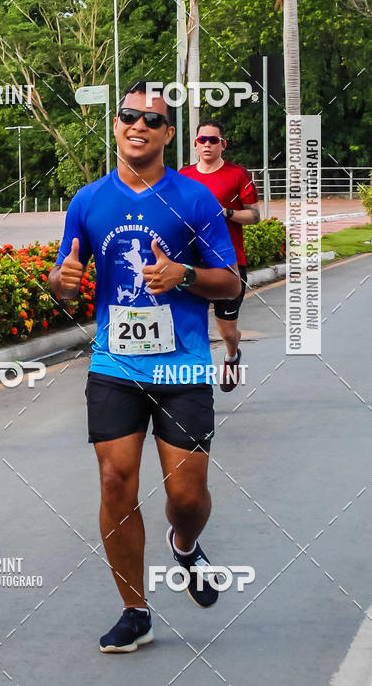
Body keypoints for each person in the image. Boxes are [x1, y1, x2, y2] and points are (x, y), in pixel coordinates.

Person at [48, 82, 239, 653]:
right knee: (114, 481)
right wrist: (61, 283)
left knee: (186, 496)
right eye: (128, 116)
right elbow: (65, 279)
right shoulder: (86, 201)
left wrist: (184, 275)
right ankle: (136, 610)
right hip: (115, 364)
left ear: (168, 134)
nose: (138, 125)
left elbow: (230, 281)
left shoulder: (196, 200)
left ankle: (184, 545)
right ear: (114, 125)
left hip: (181, 367)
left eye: (152, 120)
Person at [180, 119, 261, 391]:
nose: (206, 145)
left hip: (228, 262)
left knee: (227, 330)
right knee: (190, 323)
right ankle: (195, 381)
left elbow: (254, 215)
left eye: (213, 140)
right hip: (192, 260)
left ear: (222, 144)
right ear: (195, 144)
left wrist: (226, 213)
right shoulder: (184, 175)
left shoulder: (238, 174)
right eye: (202, 140)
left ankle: (231, 355)